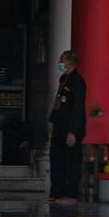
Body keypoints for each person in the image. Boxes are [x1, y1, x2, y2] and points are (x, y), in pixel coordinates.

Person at [47, 50, 86, 204]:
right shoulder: (64, 79)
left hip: (71, 129)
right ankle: (56, 192)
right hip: (59, 127)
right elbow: (58, 103)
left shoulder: (78, 81)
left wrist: (73, 132)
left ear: (71, 63)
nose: (60, 64)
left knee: (71, 162)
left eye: (63, 62)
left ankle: (71, 194)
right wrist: (51, 122)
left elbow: (78, 108)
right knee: (57, 161)